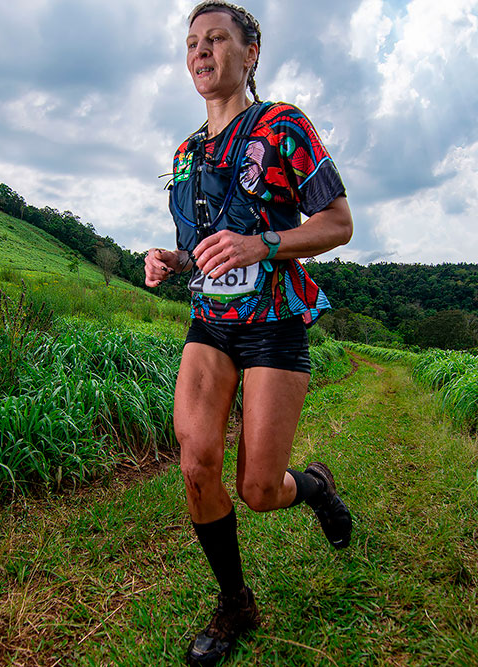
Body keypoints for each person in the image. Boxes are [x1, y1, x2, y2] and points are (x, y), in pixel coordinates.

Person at [144, 2, 355, 665]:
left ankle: (314, 485)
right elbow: (207, 248)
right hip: (210, 323)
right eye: (192, 43)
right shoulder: (186, 155)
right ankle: (235, 601)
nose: (201, 52)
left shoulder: (283, 126)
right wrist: (173, 259)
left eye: (216, 39)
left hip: (274, 325)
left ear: (251, 52)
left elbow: (338, 223)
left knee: (260, 490)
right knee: (196, 461)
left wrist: (262, 243)